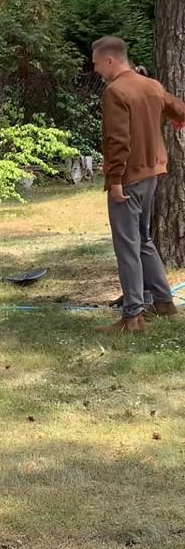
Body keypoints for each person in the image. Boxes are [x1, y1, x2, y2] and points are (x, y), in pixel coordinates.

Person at [92, 35, 185, 333]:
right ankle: (163, 302)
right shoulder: (152, 86)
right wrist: (171, 116)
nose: (95, 70)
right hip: (153, 174)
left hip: (129, 177)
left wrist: (114, 180)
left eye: (96, 64)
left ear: (110, 60)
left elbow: (117, 142)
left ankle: (132, 316)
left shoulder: (115, 92)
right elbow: (179, 109)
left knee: (128, 245)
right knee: (143, 239)